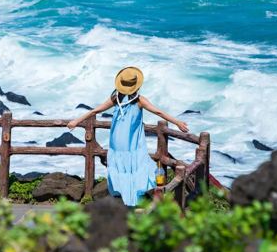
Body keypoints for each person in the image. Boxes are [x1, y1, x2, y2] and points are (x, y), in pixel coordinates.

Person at [67, 66, 189, 207]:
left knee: (124, 168)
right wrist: (177, 122)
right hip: (131, 143)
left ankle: (127, 200)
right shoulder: (138, 100)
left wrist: (77, 120)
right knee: (138, 166)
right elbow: (159, 113)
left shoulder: (116, 98)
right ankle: (133, 200)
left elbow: (96, 110)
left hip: (118, 141)